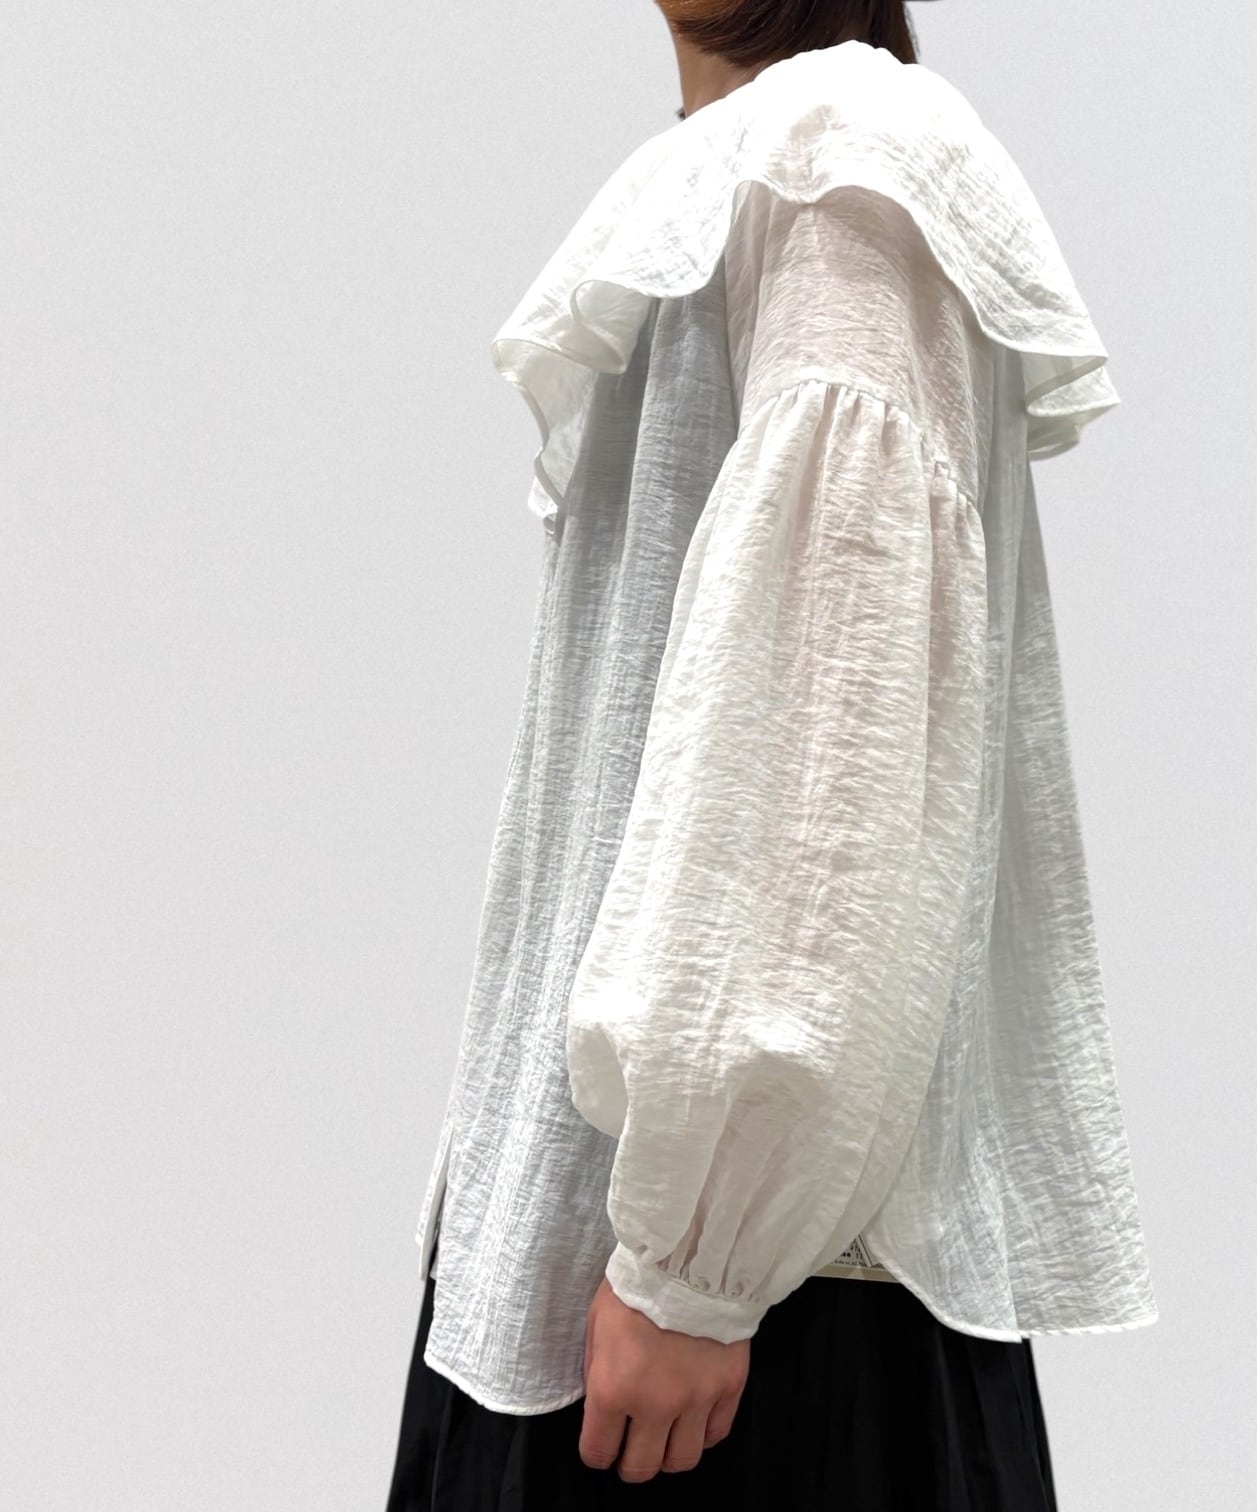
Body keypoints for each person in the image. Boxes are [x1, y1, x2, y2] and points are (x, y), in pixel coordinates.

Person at [386, 3, 1158, 1506]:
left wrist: (697, 1268)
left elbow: (830, 721)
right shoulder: (751, 164)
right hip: (643, 1258)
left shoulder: (838, 156)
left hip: (744, 1317)